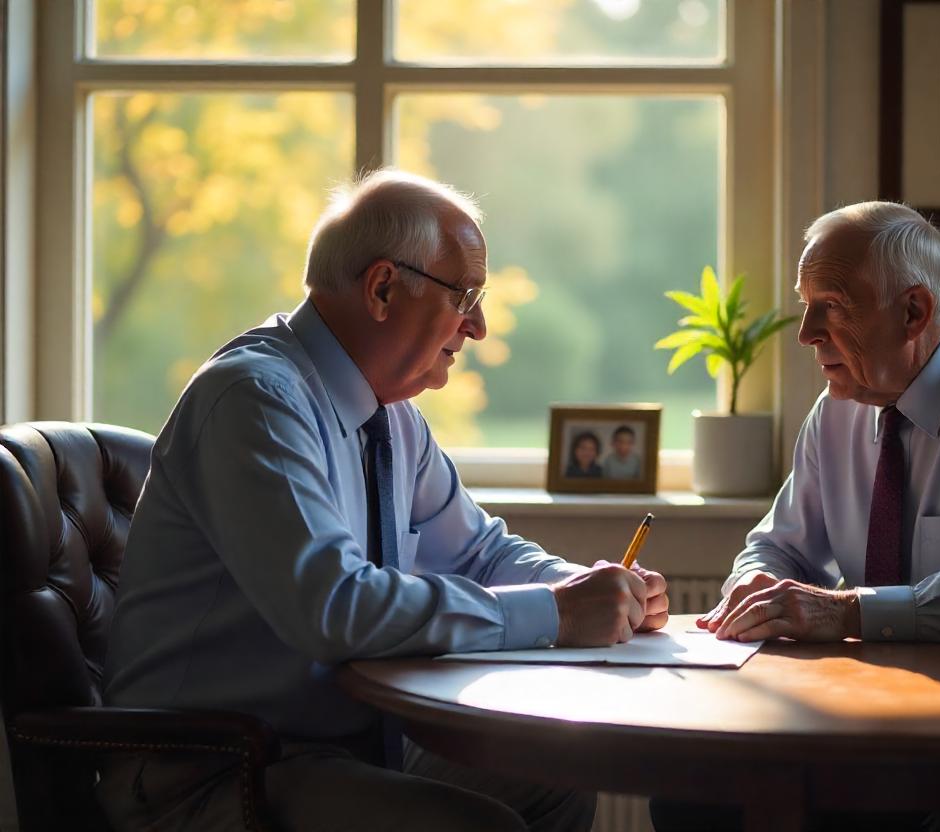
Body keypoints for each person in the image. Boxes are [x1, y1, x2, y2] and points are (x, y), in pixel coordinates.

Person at [98, 169, 670, 832]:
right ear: (382, 288)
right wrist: (556, 613)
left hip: (329, 751)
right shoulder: (254, 401)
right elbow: (334, 606)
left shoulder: (392, 417)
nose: (478, 325)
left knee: (555, 787)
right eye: (466, 295)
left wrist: (590, 586)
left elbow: (478, 552)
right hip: (212, 772)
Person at [652, 201, 940, 831]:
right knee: (692, 801)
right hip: (893, 728)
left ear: (914, 312)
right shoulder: (837, 412)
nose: (806, 333)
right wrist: (756, 586)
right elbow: (777, 548)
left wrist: (850, 611)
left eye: (834, 305)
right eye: (806, 303)